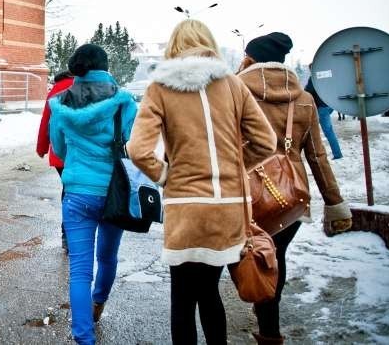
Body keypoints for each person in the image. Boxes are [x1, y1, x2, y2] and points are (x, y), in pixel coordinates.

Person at [127, 19, 277, 345]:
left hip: (185, 210)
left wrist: (166, 176)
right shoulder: (234, 85)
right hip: (226, 210)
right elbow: (266, 142)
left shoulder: (160, 88)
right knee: (210, 293)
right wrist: (234, 170)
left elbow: (137, 149)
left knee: (182, 299)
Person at [237, 32, 353, 345]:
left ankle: (259, 305)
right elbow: (317, 156)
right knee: (276, 257)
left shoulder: (234, 93)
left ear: (249, 59)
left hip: (243, 198)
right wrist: (335, 203)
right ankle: (269, 331)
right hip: (290, 199)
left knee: (246, 256)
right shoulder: (304, 99)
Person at [48, 44, 138, 345]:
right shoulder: (124, 102)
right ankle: (99, 302)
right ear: (105, 67)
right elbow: (131, 143)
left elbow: (58, 148)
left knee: (79, 270)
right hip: (113, 192)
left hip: (76, 194)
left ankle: (84, 338)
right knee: (108, 257)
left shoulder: (60, 103)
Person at [36, 70, 74, 250]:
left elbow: (46, 119)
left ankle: (67, 235)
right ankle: (74, 235)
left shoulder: (57, 88)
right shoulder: (85, 86)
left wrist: (41, 147)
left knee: (68, 191)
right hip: (81, 154)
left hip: (60, 155)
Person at [304, 72, 343, 159]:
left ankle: (337, 154)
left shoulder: (314, 78)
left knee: (327, 131)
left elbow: (307, 91)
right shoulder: (327, 76)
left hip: (322, 107)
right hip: (330, 105)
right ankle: (317, 153)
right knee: (315, 129)